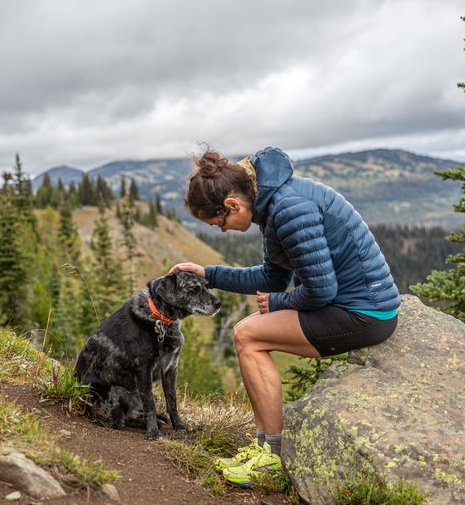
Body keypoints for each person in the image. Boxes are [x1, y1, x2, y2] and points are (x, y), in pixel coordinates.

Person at [169, 147, 400, 488]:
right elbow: (270, 278)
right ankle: (264, 447)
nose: (222, 231)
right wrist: (209, 274)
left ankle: (272, 460)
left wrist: (279, 303)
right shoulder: (274, 204)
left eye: (219, 222)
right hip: (354, 304)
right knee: (247, 331)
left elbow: (321, 290)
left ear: (232, 204)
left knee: (248, 336)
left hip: (364, 313)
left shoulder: (289, 209)